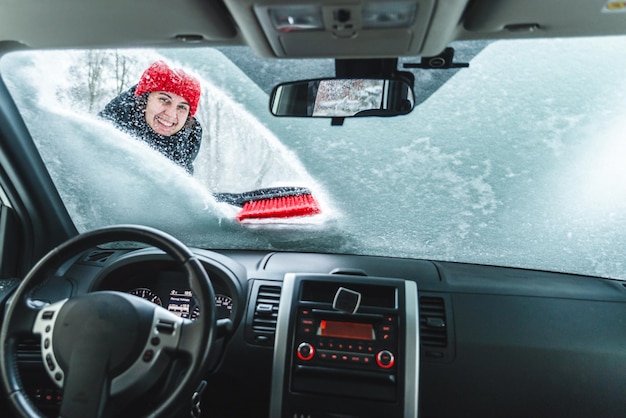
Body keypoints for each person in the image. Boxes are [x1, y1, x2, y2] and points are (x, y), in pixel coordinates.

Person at [99, 60, 202, 174]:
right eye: (164, 100)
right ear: (144, 100)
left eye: (182, 107)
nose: (171, 114)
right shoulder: (105, 136)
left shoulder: (184, 151)